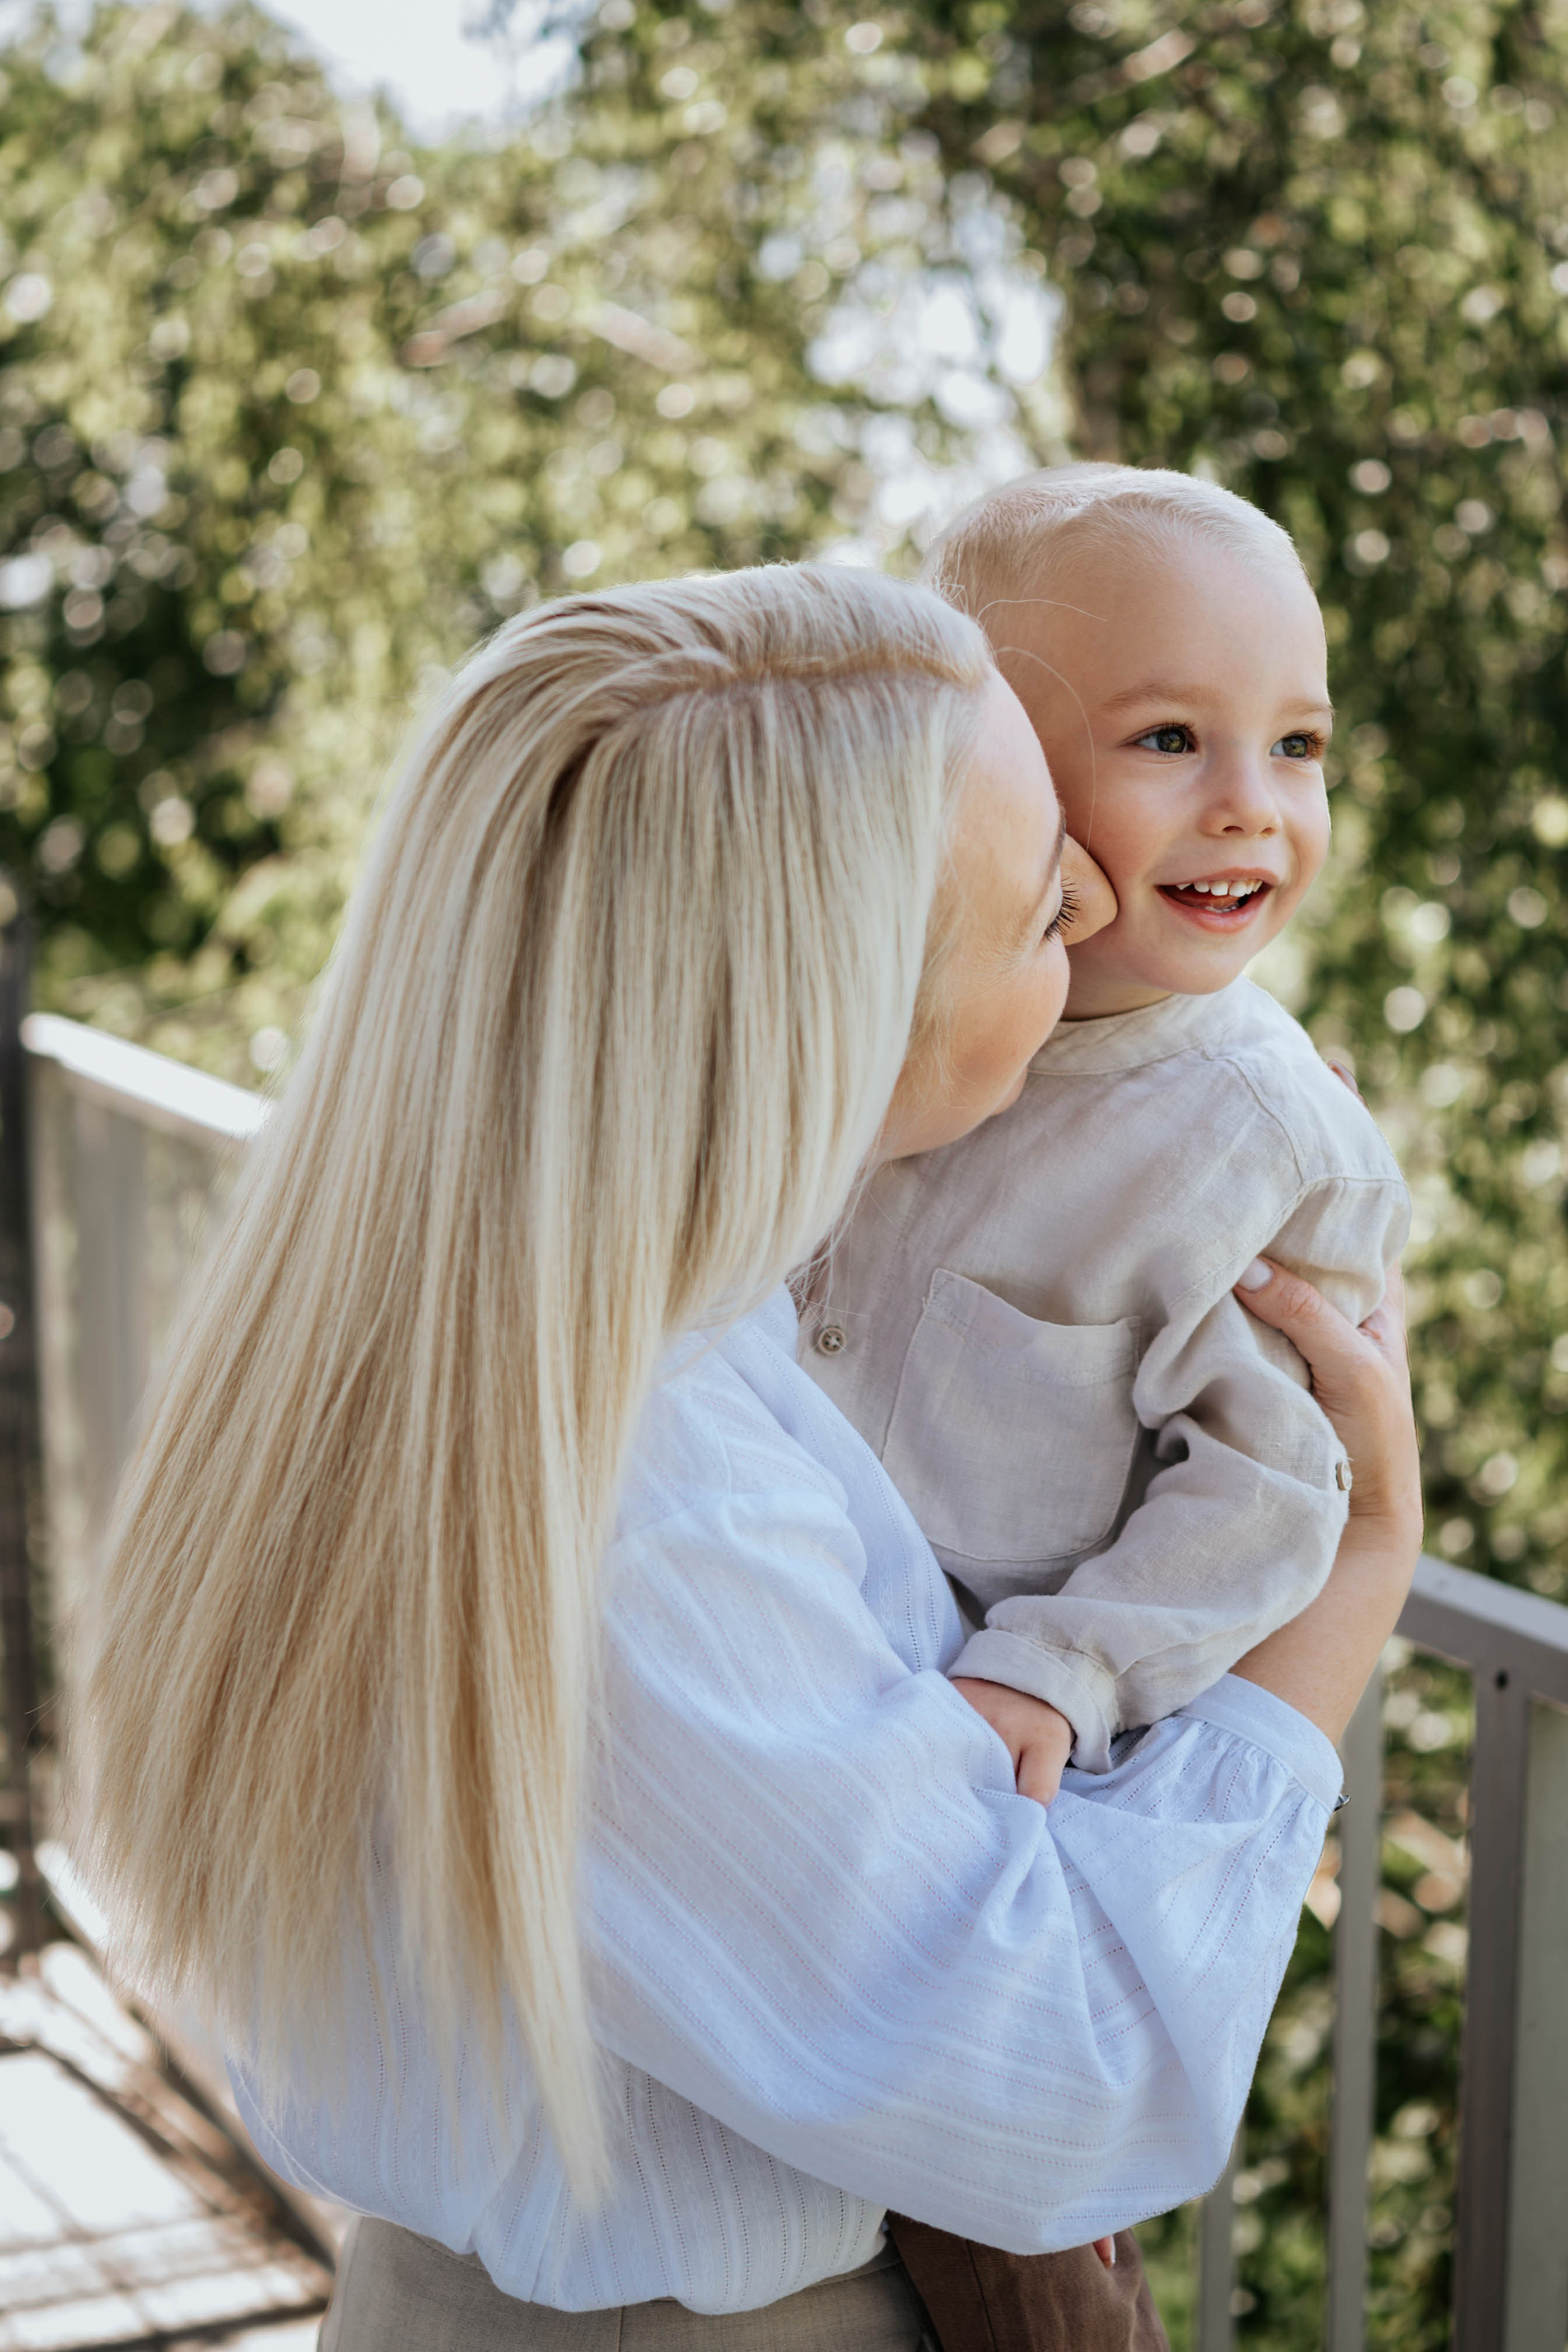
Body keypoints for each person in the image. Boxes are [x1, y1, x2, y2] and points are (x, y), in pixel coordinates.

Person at [80, 564, 1421, 2351]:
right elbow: (1058, 2078)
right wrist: (1342, 1595)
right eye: (1040, 913)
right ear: (841, 1014)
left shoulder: (479, 1319)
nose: (1105, 908)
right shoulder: (641, 1496)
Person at [800, 464, 1409, 1796]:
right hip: (752, 1641)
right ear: (990, 755)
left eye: (1297, 745)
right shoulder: (859, 1001)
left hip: (985, 1750)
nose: (1254, 803)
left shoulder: (1267, 1142)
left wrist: (1061, 1666)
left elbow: (1261, 1489)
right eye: (1170, 739)